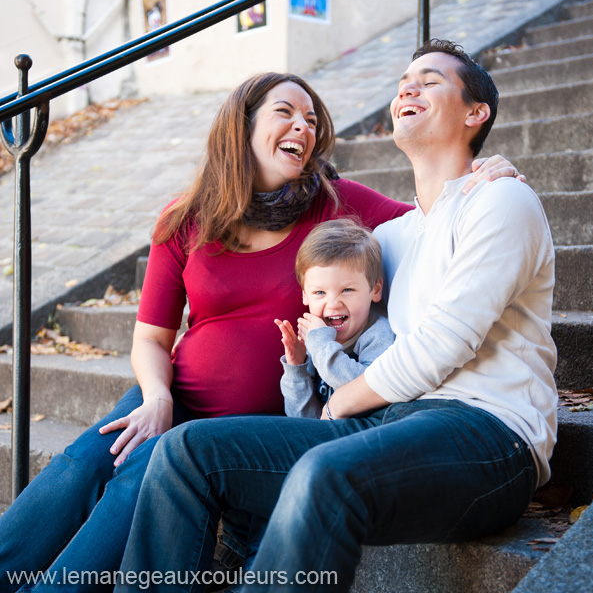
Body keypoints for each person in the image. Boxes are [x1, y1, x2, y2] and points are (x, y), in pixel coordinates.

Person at [0, 71, 520, 591]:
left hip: (254, 423)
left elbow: (433, 223)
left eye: (312, 120)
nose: (304, 127)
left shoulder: (336, 205)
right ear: (242, 125)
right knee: (81, 465)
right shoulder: (186, 218)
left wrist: (484, 172)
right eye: (286, 113)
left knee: (134, 484)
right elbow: (152, 337)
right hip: (174, 395)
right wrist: (156, 396)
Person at [115, 40, 556, 593]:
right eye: (402, 80)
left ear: (475, 114)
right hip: (389, 423)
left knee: (323, 474)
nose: (406, 88)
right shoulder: (391, 238)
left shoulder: (501, 202)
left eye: (430, 79)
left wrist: (340, 403)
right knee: (187, 451)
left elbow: (449, 340)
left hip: (487, 434)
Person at [275, 218, 393, 419]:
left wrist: (321, 345)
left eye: (347, 290)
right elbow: (303, 419)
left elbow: (364, 390)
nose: (333, 303)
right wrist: (297, 368)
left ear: (375, 290)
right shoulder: (315, 338)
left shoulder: (378, 335)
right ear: (305, 295)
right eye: (319, 292)